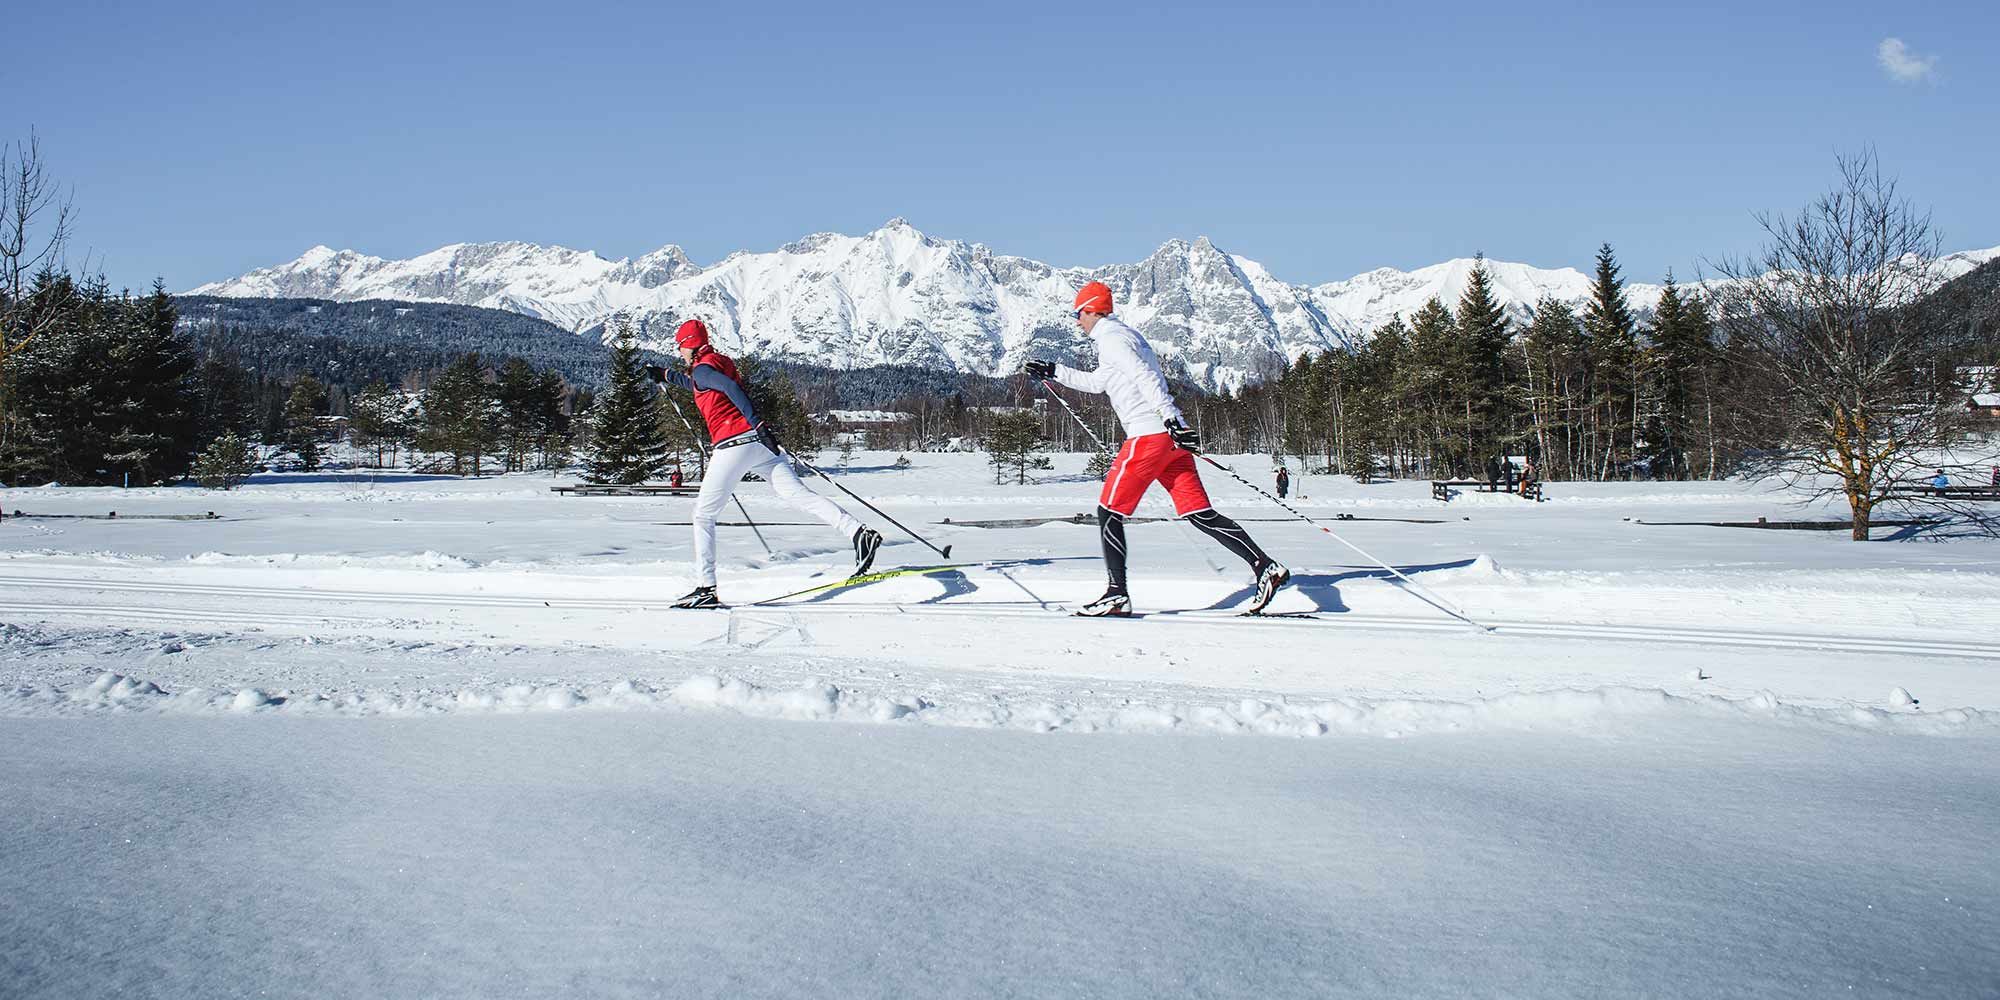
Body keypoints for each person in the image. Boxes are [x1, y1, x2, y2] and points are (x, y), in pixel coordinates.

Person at [1026, 281, 1290, 617]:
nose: (1078, 321)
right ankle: (1264, 566)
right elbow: (1099, 383)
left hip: (1148, 436)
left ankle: (1116, 593)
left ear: (1092, 309)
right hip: (1169, 443)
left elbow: (1142, 377)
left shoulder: (1111, 339)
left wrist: (1170, 417)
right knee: (1199, 513)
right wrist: (1054, 372)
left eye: (1079, 314)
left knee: (1109, 511)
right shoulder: (1124, 336)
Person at [645, 319, 882, 608]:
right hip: (759, 446)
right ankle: (858, 533)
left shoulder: (704, 370)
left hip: (734, 445)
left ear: (690, 344)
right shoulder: (716, 363)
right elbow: (698, 384)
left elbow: (729, 388)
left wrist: (758, 424)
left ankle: (706, 587)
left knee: (703, 516)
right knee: (798, 494)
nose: (679, 350)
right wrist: (665, 375)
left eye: (680, 346)